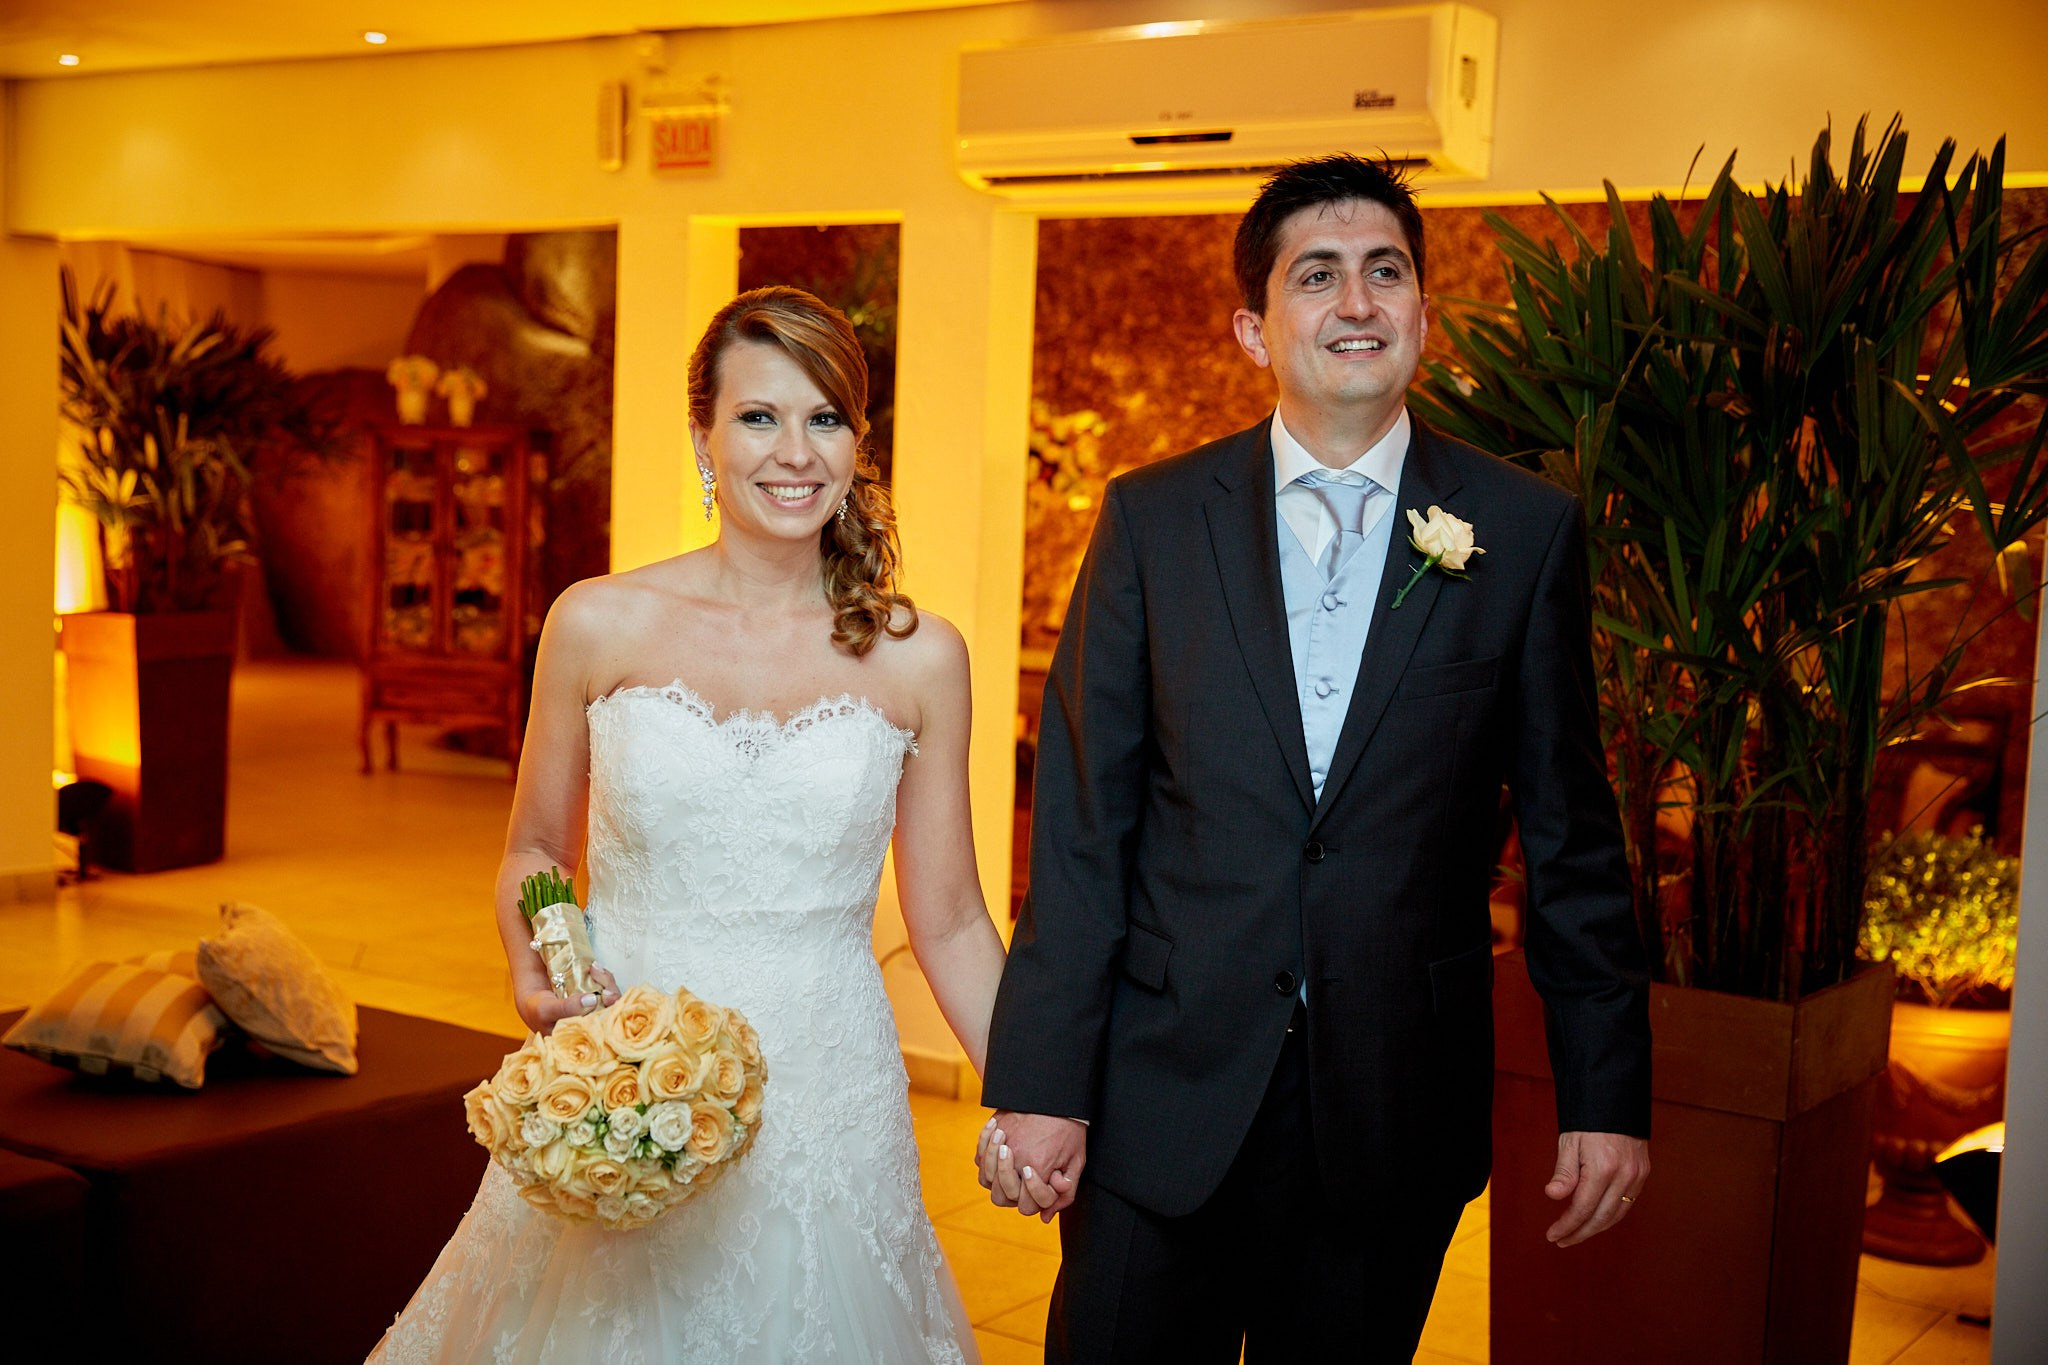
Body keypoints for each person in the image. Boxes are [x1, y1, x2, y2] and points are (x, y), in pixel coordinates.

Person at [977, 154, 1654, 1363]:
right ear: (1253, 328)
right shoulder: (1150, 520)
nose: (1355, 302)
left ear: (1422, 314)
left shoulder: (1521, 529)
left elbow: (1571, 837)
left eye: (1384, 273)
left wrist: (1603, 1097)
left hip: (1392, 1107)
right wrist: (1040, 1081)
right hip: (1159, 1096)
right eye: (1316, 275)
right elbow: (1082, 830)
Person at [371, 286, 1004, 1364]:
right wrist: (537, 975)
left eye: (824, 417)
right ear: (703, 436)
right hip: (625, 1071)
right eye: (758, 416)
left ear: (858, 440)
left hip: (826, 1088)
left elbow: (947, 920)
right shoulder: (596, 621)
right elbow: (535, 851)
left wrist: (1035, 1098)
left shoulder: (920, 656)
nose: (794, 451)